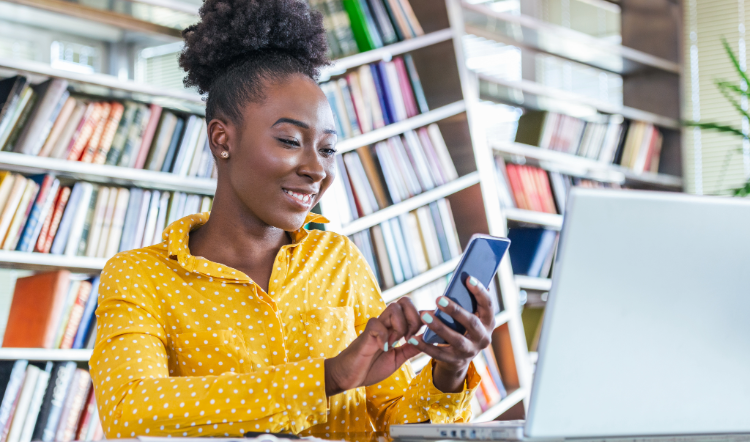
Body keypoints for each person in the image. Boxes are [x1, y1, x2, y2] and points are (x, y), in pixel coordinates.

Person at [89, 0, 496, 438]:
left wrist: (449, 371)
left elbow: (394, 422)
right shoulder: (140, 277)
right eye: (289, 140)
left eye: (326, 149)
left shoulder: (338, 260)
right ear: (221, 138)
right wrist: (328, 377)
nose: (317, 169)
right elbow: (133, 412)